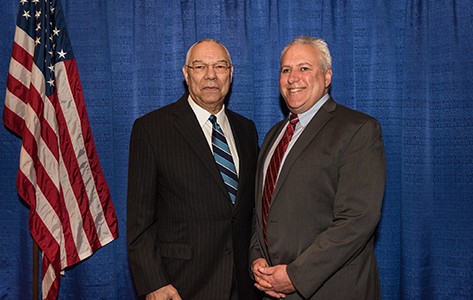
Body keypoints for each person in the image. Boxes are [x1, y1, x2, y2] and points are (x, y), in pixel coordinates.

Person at [250, 36, 386, 299]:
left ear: (327, 77)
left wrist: (296, 276)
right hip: (273, 291)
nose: (293, 78)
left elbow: (357, 220)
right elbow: (262, 209)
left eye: (304, 68)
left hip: (332, 290)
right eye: (286, 70)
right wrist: (256, 258)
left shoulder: (358, 130)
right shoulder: (272, 136)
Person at [127, 39, 260, 300]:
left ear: (231, 74)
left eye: (220, 66)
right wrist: (154, 283)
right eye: (200, 66)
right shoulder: (152, 129)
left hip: (244, 287)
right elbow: (139, 222)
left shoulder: (246, 129)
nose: (211, 75)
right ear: (186, 74)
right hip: (180, 286)